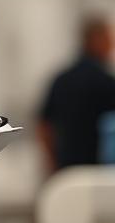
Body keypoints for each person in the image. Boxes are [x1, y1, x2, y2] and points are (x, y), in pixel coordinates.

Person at [38, 14, 115, 172]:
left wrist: (52, 161)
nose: (111, 45)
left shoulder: (61, 79)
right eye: (108, 39)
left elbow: (43, 125)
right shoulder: (106, 82)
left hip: (65, 168)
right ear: (96, 39)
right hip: (99, 171)